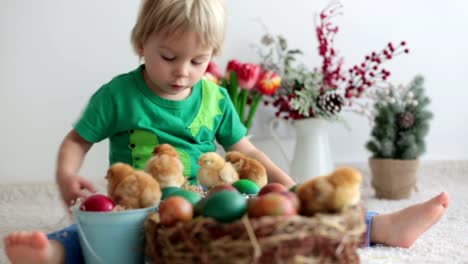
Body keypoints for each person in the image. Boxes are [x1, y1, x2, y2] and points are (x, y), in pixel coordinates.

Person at [3, 0, 450, 263]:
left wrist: (287, 184)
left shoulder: (215, 97)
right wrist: (66, 177)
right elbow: (76, 141)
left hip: (211, 197)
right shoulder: (118, 95)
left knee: (274, 213)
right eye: (168, 57)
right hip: (145, 201)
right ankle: (56, 252)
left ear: (211, 54)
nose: (183, 72)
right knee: (113, 232)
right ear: (141, 44)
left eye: (197, 61)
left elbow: (243, 149)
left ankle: (383, 227)